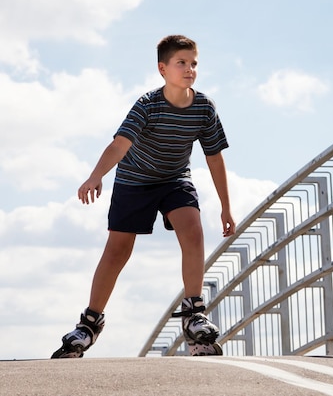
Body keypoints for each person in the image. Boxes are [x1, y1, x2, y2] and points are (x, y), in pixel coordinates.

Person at [51, 35, 235, 358]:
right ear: (163, 69)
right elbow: (120, 145)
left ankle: (194, 314)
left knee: (193, 231)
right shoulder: (148, 105)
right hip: (134, 181)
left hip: (175, 180)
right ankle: (89, 323)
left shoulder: (204, 108)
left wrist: (226, 207)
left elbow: (215, 157)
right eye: (181, 63)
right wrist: (96, 176)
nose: (189, 69)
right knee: (118, 250)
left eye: (194, 64)